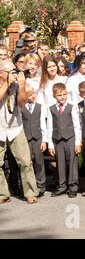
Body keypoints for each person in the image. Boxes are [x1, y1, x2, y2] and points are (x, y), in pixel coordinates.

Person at [0, 60, 39, 204]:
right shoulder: (4, 84)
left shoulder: (17, 85)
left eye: (14, 71)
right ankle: (2, 194)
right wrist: (6, 84)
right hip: (0, 128)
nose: (14, 75)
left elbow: (22, 103)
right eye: (10, 72)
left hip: (15, 127)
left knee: (25, 161)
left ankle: (30, 192)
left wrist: (21, 86)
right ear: (1, 73)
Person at [46, 83, 82, 198]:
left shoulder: (72, 107)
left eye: (64, 94)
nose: (62, 97)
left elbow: (77, 125)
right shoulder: (51, 109)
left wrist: (77, 142)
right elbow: (49, 127)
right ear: (54, 96)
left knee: (72, 162)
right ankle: (62, 186)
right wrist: (50, 145)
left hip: (70, 138)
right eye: (59, 95)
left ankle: (73, 186)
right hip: (57, 139)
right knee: (60, 163)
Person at [21, 84, 48, 198]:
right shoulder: (20, 107)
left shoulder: (40, 107)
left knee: (39, 162)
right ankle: (28, 186)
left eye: (33, 93)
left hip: (37, 138)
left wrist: (44, 140)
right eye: (30, 94)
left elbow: (43, 124)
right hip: (26, 138)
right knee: (27, 163)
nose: (33, 96)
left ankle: (41, 186)